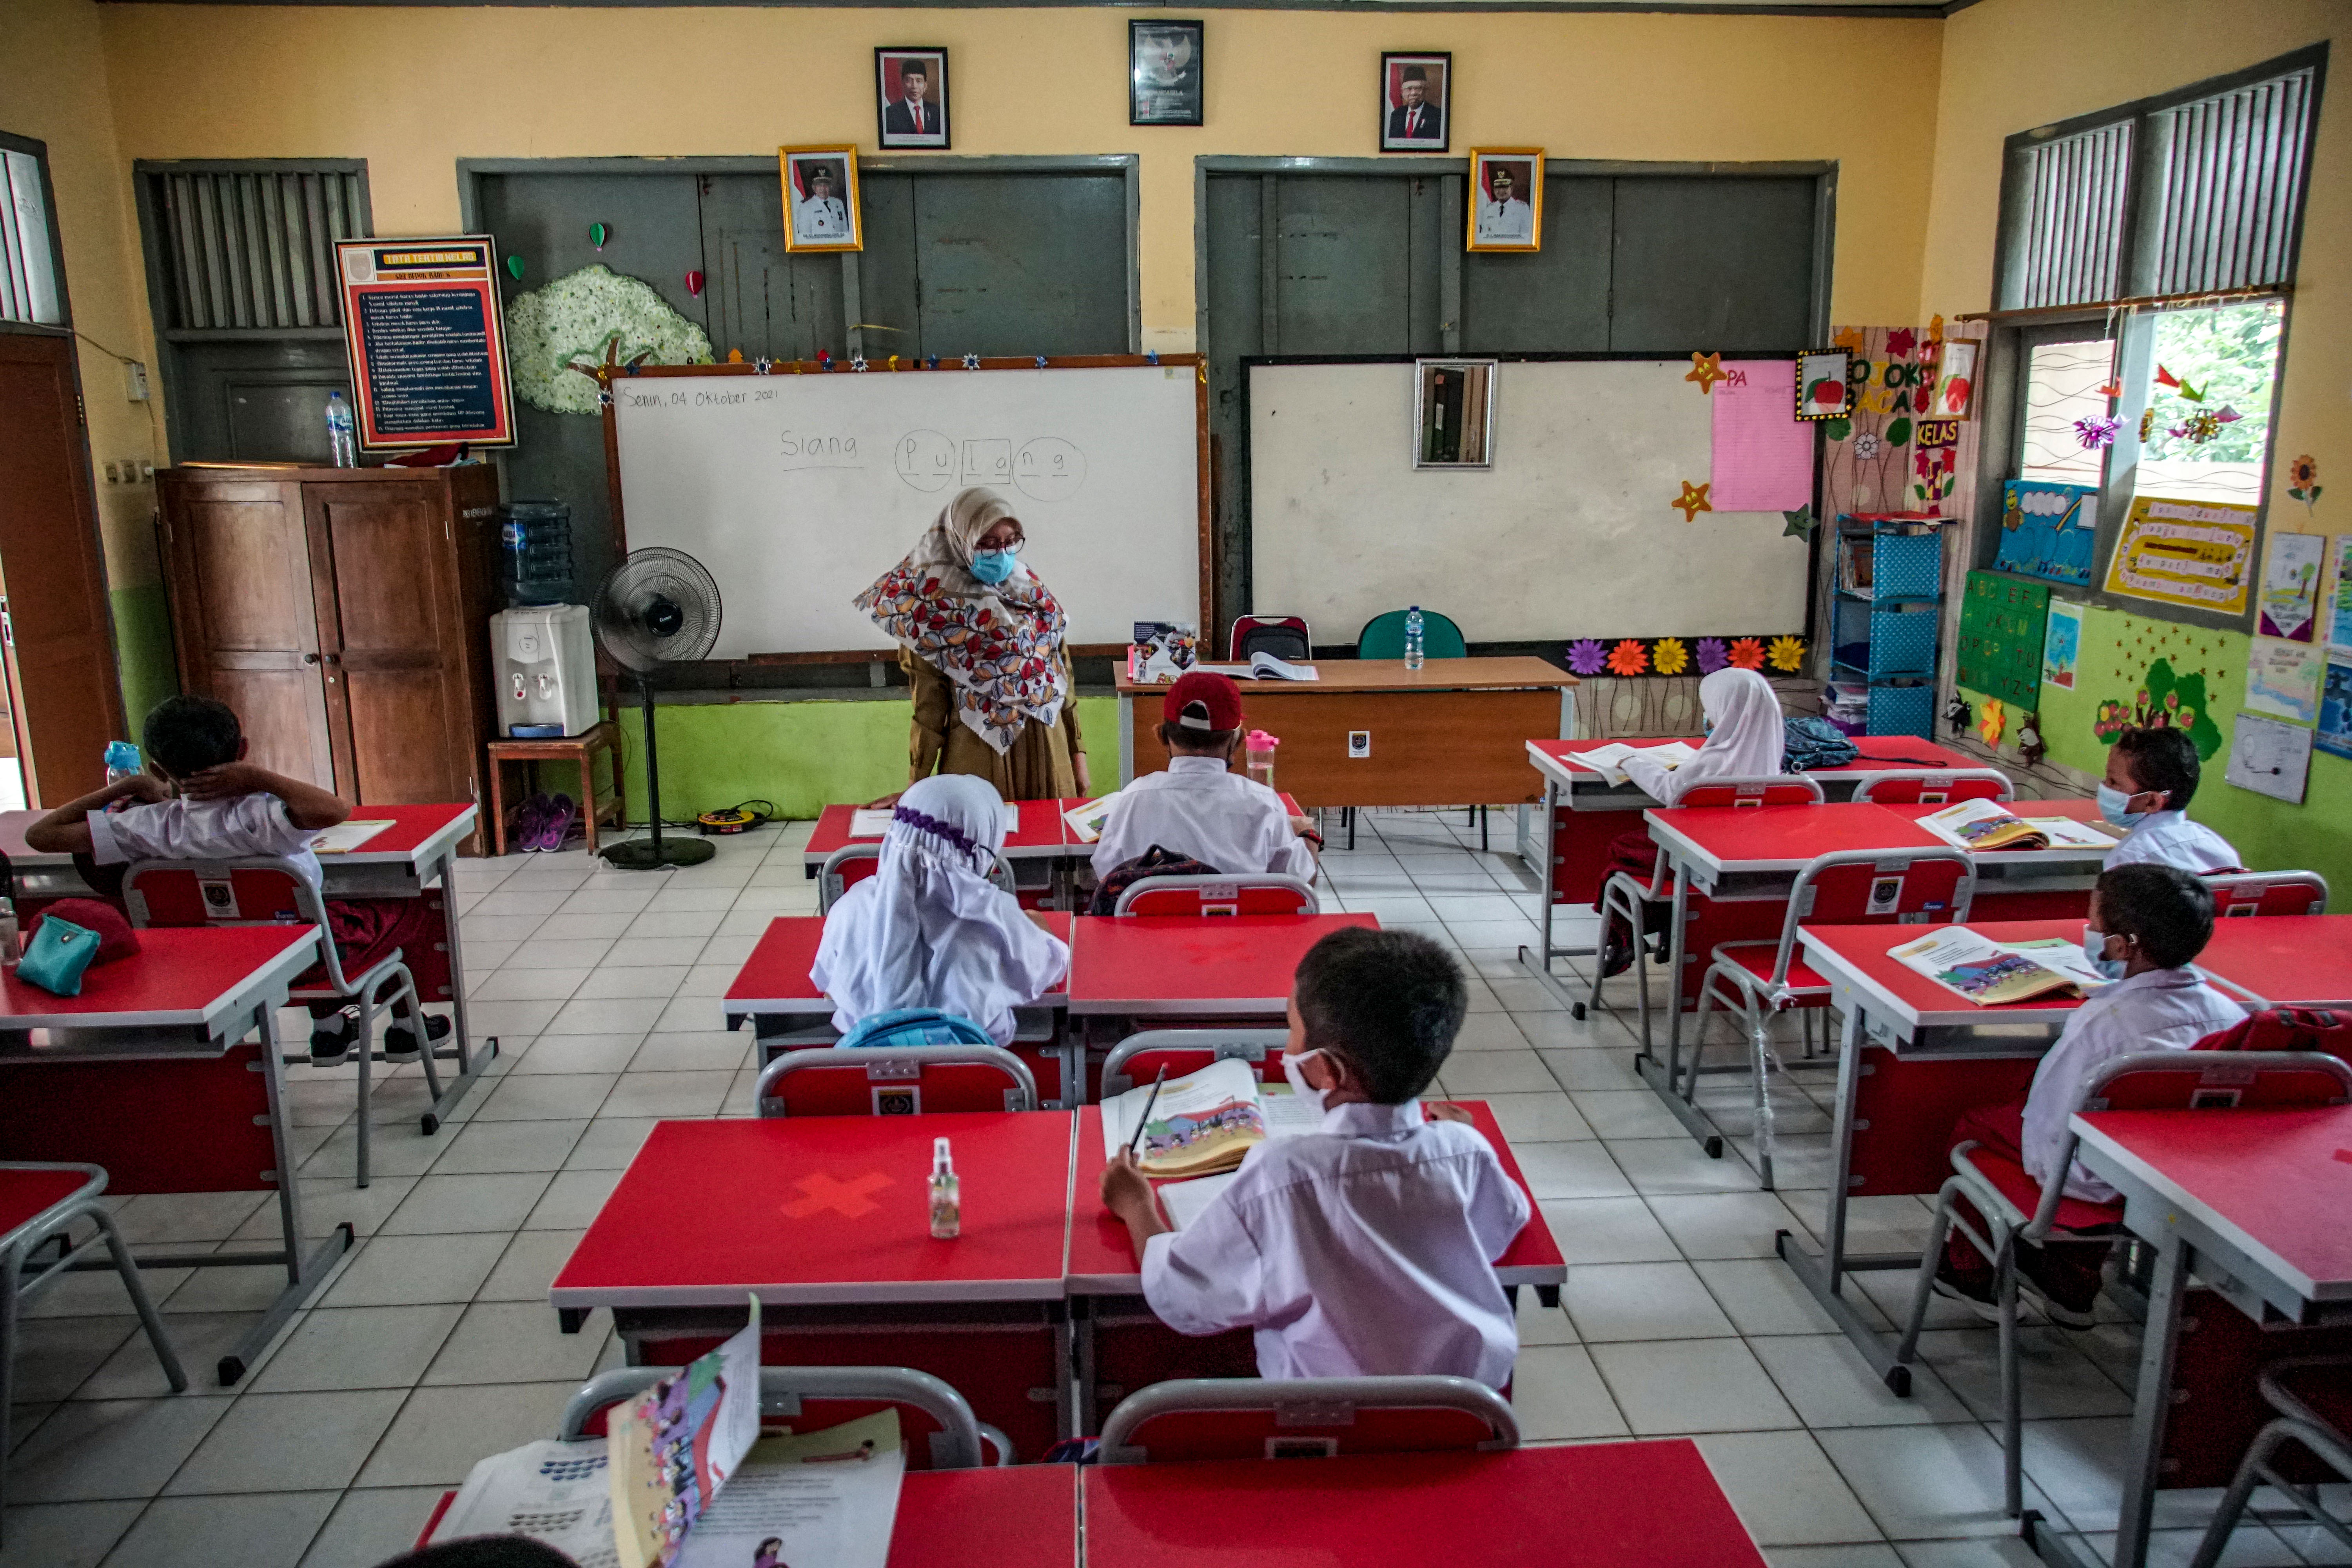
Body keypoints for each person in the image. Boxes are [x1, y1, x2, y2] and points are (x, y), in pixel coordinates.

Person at [1099, 928, 1530, 1386]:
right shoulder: (1466, 1153)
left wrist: (1137, 1207)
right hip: (1462, 1418)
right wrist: (1458, 1139)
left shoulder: (1284, 1173)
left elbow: (1185, 1293)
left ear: (1327, 1070)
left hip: (1325, 1428)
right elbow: (1505, 1220)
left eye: (1293, 1031)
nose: (1288, 1049)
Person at [24, 694, 449, 1061]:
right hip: (307, 958)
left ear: (158, 768)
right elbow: (335, 810)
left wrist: (122, 789)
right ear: (242, 750)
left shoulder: (148, 827)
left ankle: (332, 1030)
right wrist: (260, 778)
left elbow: (41, 835)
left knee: (310, 920)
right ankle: (408, 1027)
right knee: (398, 907)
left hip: (209, 964)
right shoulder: (262, 818)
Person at [1933, 864, 2245, 1326]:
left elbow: (2049, 1136)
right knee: (2111, 1131)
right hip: (2183, 1175)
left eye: (2095, 923)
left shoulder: (2102, 1023)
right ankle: (2071, 1278)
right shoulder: (2231, 1013)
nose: (2089, 932)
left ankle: (1969, 1270)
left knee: (1982, 1124)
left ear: (2122, 946)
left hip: (2097, 1184)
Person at [856, 487, 1090, 802]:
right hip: (978, 756)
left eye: (1010, 542)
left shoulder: (1031, 592)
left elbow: (1063, 677)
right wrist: (917, 784)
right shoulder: (926, 606)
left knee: (1050, 841)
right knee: (981, 840)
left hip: (1049, 750)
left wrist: (1078, 757)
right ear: (960, 539)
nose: (1002, 553)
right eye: (987, 543)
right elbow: (928, 707)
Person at [811, 774, 1068, 1047]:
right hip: (980, 1080)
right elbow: (1052, 970)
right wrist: (1033, 922)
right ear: (985, 845)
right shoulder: (996, 922)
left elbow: (826, 984)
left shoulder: (850, 907)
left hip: (862, 1079)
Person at [1089, 670, 1318, 885]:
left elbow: (1106, 875)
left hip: (1152, 928)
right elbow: (1299, 886)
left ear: (1161, 736)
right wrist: (1308, 836)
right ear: (1239, 741)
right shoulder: (1264, 802)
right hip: (1240, 928)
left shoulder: (1132, 799)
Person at [1619, 666, 1784, 802]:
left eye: (1711, 707)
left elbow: (1667, 789)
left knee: (1627, 842)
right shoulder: (1772, 753)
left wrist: (1632, 764)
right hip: (1751, 836)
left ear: (1728, 709)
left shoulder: (1715, 760)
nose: (1707, 714)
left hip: (1702, 836)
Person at [2099, 725, 2241, 873]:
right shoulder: (2219, 848)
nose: (2104, 786)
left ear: (2152, 802)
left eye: (2114, 782)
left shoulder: (2130, 857)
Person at [1474, 165, 1534, 245]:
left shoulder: (1522, 209)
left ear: (1511, 189)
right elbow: (1484, 237)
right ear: (1494, 190)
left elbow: (1526, 238)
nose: (1501, 191)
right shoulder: (1488, 210)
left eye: (1505, 187)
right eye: (1498, 188)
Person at [883, 58, 940, 138]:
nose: (914, 86)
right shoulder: (890, 113)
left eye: (919, 81)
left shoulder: (937, 112)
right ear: (902, 84)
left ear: (925, 86)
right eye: (909, 80)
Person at [793, 164, 852, 242]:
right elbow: (805, 237)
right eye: (819, 186)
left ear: (830, 187)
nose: (823, 189)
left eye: (826, 185)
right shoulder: (806, 207)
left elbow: (846, 232)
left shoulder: (838, 203)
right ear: (814, 188)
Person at [1386, 65, 1443, 144]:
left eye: (1418, 88)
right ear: (1403, 92)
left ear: (1425, 91)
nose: (1413, 93)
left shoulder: (1437, 115)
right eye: (1409, 89)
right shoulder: (1396, 115)